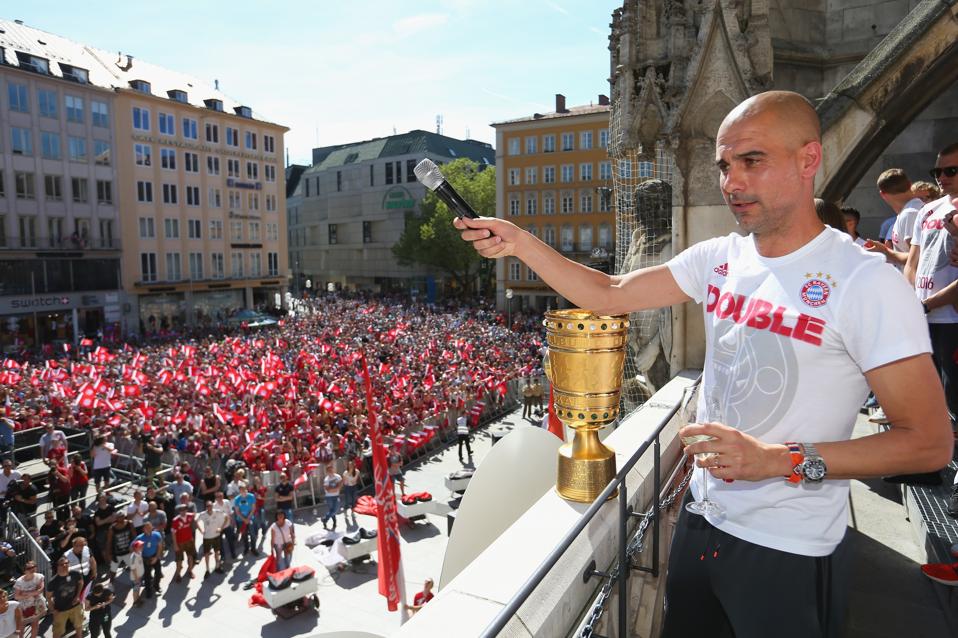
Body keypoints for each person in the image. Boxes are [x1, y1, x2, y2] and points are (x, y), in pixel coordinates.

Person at [455, 90, 952, 636]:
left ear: (808, 159)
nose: (732, 182)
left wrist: (779, 460)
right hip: (700, 519)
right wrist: (521, 243)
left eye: (752, 161)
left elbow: (928, 441)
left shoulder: (867, 283)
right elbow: (610, 292)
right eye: (723, 165)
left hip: (790, 547)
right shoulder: (721, 256)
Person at [47, 557, 83, 638]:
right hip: (60, 610)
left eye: (67, 563)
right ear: (58, 566)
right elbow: (48, 597)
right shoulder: (53, 581)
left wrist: (77, 596)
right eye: (62, 564)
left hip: (75, 606)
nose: (65, 565)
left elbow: (81, 582)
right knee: (57, 631)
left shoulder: (75, 574)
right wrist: (53, 610)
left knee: (79, 625)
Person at [196, 499, 227, 579]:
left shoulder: (217, 512)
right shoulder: (203, 514)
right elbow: (195, 521)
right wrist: (201, 530)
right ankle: (207, 570)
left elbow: (226, 517)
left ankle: (217, 567)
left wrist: (221, 528)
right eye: (207, 506)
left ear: (212, 506)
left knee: (217, 552)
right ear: (206, 507)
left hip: (216, 535)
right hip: (207, 537)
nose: (209, 507)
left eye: (210, 506)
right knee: (206, 554)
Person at [13, 560, 44, 638]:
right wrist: (32, 593)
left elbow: (40, 590)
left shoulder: (39, 576)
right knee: (22, 626)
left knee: (35, 624)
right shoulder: (19, 582)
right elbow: (16, 596)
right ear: (25, 570)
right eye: (29, 568)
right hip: (24, 606)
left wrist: (26, 593)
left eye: (34, 567)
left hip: (36, 604)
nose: (32, 569)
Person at [133, 521, 163, 598]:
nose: (149, 529)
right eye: (147, 528)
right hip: (145, 558)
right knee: (147, 576)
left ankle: (156, 586)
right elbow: (132, 547)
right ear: (143, 529)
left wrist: (156, 557)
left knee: (158, 573)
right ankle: (148, 591)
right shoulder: (139, 538)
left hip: (154, 556)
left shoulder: (156, 535)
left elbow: (160, 546)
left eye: (150, 527)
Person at [105, 511, 134, 582]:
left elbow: (134, 536)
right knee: (113, 570)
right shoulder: (112, 528)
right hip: (117, 553)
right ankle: (111, 582)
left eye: (122, 516)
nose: (121, 518)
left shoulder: (129, 523)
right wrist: (109, 554)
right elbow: (109, 542)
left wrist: (134, 548)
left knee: (133, 567)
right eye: (119, 517)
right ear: (116, 518)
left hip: (128, 551)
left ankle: (136, 581)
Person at [170, 504, 197, 582]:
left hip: (189, 541)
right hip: (179, 543)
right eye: (181, 510)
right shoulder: (175, 520)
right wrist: (175, 544)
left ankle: (190, 571)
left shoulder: (190, 516)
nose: (183, 511)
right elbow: (173, 533)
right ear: (179, 511)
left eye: (185, 509)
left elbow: (194, 515)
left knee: (190, 556)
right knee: (179, 560)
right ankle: (178, 574)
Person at [231, 484, 258, 556]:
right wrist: (244, 519)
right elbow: (237, 511)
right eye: (241, 489)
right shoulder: (237, 499)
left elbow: (253, 508)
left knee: (253, 534)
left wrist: (248, 518)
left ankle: (253, 548)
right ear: (239, 490)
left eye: (244, 489)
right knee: (244, 535)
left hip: (250, 518)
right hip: (241, 520)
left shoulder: (251, 496)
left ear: (246, 489)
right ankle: (246, 548)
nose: (243, 491)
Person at [212, 491, 238, 562]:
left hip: (227, 525)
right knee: (220, 543)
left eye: (221, 496)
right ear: (216, 498)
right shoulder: (213, 506)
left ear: (223, 497)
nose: (220, 498)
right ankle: (222, 556)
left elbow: (230, 512)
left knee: (230, 541)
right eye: (218, 497)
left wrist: (232, 522)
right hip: (219, 527)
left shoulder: (227, 502)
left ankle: (233, 553)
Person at [321, 464, 342, 531]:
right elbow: (328, 490)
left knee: (335, 510)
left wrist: (334, 489)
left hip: (336, 496)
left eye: (331, 469)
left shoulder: (338, 476)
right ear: (327, 471)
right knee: (332, 510)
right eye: (329, 470)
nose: (330, 471)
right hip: (329, 497)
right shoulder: (326, 479)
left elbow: (340, 485)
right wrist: (335, 489)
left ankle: (325, 519)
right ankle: (334, 523)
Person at [127, 540, 145, 607]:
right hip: (136, 577)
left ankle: (138, 598)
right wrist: (137, 578)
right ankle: (135, 602)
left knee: (138, 588)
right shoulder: (133, 557)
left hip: (140, 575)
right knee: (135, 589)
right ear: (136, 548)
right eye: (140, 546)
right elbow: (133, 569)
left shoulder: (139, 553)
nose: (142, 547)